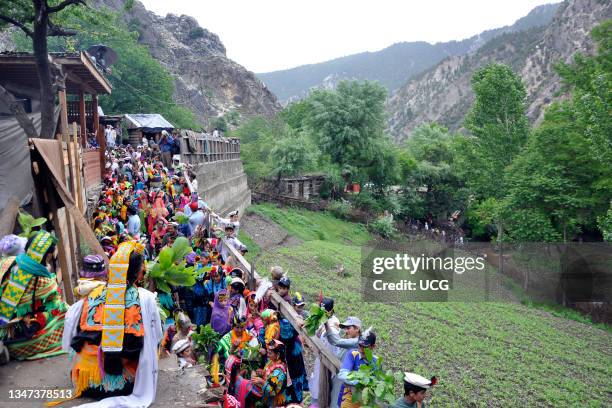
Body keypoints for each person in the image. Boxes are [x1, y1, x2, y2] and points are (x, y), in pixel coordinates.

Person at [59, 241, 163, 407]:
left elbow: (72, 327)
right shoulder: (143, 298)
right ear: (137, 273)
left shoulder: (93, 294)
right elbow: (155, 336)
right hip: (121, 387)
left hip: (86, 382)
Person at [0, 231, 68, 361]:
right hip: (20, 340)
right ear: (47, 256)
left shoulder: (7, 262)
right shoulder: (43, 282)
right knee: (64, 311)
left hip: (3, 330)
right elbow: (55, 303)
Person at [337, 329, 378, 408]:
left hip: (365, 401)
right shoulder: (353, 354)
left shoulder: (376, 362)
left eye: (365, 347)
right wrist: (360, 381)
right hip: (349, 398)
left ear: (373, 346)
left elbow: (376, 382)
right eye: (360, 346)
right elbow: (342, 374)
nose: (361, 350)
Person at [327, 316, 362, 408]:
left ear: (357, 329)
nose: (346, 331)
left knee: (338, 402)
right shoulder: (350, 340)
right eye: (345, 328)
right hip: (341, 376)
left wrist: (326, 325)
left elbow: (335, 341)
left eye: (348, 328)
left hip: (346, 380)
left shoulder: (357, 342)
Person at [253, 339, 292, 407]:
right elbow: (268, 374)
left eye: (270, 353)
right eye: (267, 352)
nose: (267, 355)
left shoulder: (279, 371)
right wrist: (262, 373)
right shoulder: (272, 361)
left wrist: (262, 381)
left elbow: (272, 391)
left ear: (278, 354)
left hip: (273, 401)